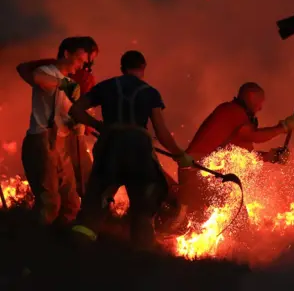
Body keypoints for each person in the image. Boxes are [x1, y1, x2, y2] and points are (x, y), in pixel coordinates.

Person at [68, 50, 194, 249]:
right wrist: (180, 155)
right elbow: (161, 132)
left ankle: (76, 251)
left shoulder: (107, 86)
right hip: (139, 153)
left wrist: (100, 126)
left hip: (109, 150)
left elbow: (75, 110)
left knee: (94, 203)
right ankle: (141, 258)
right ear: (143, 67)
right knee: (143, 209)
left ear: (122, 68)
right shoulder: (149, 93)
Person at [168, 82, 294, 233]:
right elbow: (253, 136)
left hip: (198, 170)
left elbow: (242, 154)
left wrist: (271, 156)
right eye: (260, 103)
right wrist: (283, 128)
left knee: (214, 214)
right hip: (196, 170)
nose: (261, 108)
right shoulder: (233, 111)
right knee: (232, 208)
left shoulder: (234, 117)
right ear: (251, 97)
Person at [18, 37, 92, 229]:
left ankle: (61, 247)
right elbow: (37, 79)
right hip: (42, 140)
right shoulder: (48, 73)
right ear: (66, 53)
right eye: (79, 59)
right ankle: (35, 244)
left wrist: (79, 123)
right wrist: (64, 85)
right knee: (50, 202)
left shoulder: (70, 83)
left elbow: (67, 113)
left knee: (72, 203)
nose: (82, 65)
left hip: (62, 146)